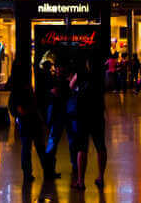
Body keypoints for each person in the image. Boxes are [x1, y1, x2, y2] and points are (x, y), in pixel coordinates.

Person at [70, 59, 107, 190]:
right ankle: (101, 177)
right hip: (97, 113)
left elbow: (71, 86)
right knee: (100, 146)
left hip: (83, 113)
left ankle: (81, 181)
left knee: (82, 147)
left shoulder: (81, 74)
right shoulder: (101, 75)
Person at [8, 60, 48, 182]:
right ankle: (44, 171)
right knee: (36, 146)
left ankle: (29, 173)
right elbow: (21, 108)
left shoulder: (17, 84)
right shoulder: (21, 86)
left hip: (27, 120)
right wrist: (33, 110)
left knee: (28, 147)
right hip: (29, 119)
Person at [44, 60, 74, 180]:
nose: (59, 70)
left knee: (54, 141)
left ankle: (49, 168)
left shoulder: (53, 82)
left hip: (58, 115)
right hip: (64, 114)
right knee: (68, 140)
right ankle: (74, 166)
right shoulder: (67, 82)